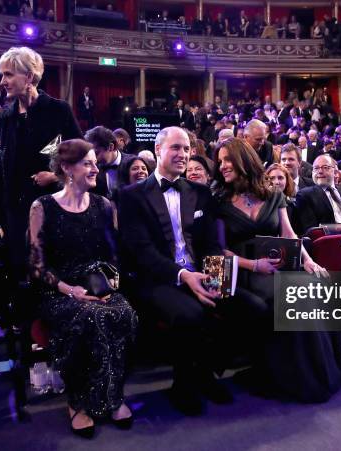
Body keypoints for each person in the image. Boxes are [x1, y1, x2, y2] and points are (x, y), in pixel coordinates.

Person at [119, 127, 255, 416]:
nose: (183, 154)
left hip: (203, 273)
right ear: (158, 150)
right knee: (190, 314)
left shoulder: (201, 193)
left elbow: (212, 244)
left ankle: (206, 372)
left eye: (186, 149)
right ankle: (182, 384)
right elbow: (142, 253)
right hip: (159, 279)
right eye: (175, 148)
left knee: (250, 307)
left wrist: (216, 280)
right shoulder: (132, 195)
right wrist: (184, 276)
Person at [214, 137, 341, 402]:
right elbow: (219, 251)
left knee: (314, 286)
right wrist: (254, 265)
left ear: (243, 160)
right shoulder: (219, 201)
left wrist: (307, 260)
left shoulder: (274, 195)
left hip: (277, 264)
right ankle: (289, 378)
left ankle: (317, 374)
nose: (223, 166)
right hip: (242, 271)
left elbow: (289, 233)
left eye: (228, 160)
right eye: (220, 161)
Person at [28, 139, 137, 438]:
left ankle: (113, 394)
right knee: (91, 317)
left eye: (95, 163)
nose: (95, 169)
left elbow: (114, 256)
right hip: (58, 290)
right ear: (66, 168)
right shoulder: (43, 207)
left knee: (124, 313)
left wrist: (110, 283)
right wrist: (68, 289)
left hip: (97, 284)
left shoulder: (104, 205)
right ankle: (78, 401)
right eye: (88, 163)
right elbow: (37, 265)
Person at [0, 46, 82, 279]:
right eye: (2, 75)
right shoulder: (5, 117)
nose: (2, 81)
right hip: (14, 212)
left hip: (51, 207)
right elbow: (2, 165)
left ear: (29, 77)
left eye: (9, 74)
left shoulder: (58, 110)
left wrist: (55, 176)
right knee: (20, 272)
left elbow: (80, 156)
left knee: (50, 272)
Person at [294, 154, 341, 235]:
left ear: (335, 171)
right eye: (316, 168)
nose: (320, 171)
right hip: (327, 241)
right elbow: (311, 230)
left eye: (325, 167)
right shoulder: (305, 195)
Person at [85, 126, 134, 200]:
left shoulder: (133, 163)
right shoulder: (91, 168)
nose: (93, 158)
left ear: (111, 147)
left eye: (96, 153)